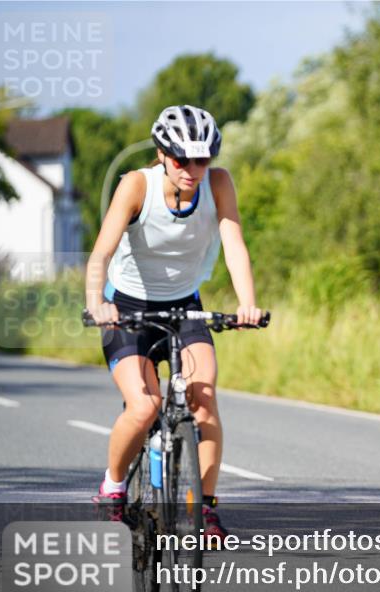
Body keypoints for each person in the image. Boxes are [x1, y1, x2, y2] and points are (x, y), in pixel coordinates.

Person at [85, 105, 262, 538]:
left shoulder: (217, 184)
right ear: (163, 154)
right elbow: (101, 253)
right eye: (182, 159)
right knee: (144, 406)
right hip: (126, 308)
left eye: (203, 159)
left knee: (204, 401)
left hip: (185, 306)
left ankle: (203, 507)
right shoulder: (135, 186)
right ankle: (113, 484)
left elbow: (234, 244)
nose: (193, 169)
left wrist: (248, 304)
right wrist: (97, 302)